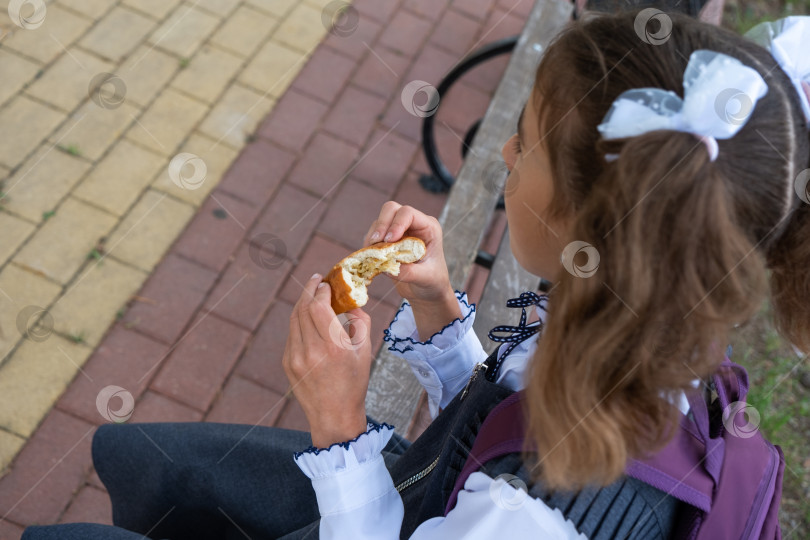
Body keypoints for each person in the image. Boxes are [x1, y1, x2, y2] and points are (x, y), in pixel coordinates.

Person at [22, 8, 810, 540]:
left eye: (525, 143)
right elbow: (510, 414)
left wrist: (339, 427)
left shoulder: (533, 519)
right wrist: (437, 312)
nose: (503, 152)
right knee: (167, 468)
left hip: (383, 509)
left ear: (580, 220)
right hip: (421, 497)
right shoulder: (644, 332)